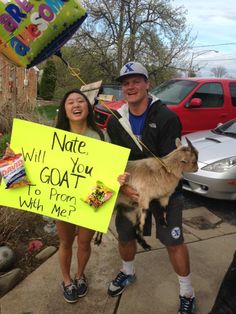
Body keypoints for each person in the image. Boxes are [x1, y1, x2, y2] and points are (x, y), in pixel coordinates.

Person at [106, 62, 196, 314]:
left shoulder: (167, 118)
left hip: (166, 194)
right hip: (130, 193)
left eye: (136, 81)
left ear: (147, 84)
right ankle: (127, 272)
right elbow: (113, 160)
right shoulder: (116, 122)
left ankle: (187, 292)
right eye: (126, 83)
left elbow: (172, 166)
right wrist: (124, 188)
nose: (130, 87)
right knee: (125, 237)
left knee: (173, 242)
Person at [55, 89, 110, 303]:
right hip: (62, 198)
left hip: (92, 196)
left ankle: (80, 276)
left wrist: (119, 177)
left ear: (88, 107)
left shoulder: (101, 136)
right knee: (66, 241)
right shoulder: (54, 137)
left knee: (85, 242)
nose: (76, 105)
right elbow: (36, 161)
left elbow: (109, 170)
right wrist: (13, 157)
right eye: (70, 102)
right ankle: (67, 280)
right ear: (65, 109)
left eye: (80, 101)